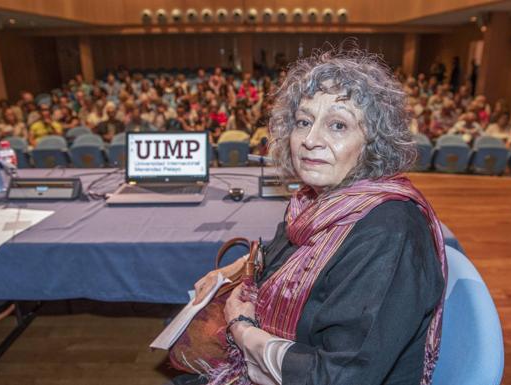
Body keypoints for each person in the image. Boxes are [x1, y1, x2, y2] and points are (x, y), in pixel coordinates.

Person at [174, 48, 447, 385]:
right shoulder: (315, 202)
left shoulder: (389, 236)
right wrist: (233, 269)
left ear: (374, 144)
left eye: (338, 125)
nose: (310, 139)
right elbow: (282, 255)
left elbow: (339, 377)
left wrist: (242, 330)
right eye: (303, 121)